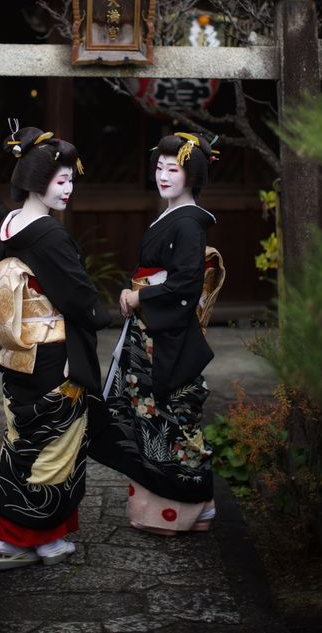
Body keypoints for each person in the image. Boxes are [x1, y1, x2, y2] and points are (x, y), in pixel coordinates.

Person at [0, 124, 111, 569]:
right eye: (62, 180)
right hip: (53, 354)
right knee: (55, 443)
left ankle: (10, 538)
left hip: (18, 351)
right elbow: (78, 297)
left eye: (72, 180)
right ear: (38, 182)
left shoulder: (11, 224)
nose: (69, 188)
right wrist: (103, 316)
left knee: (21, 438)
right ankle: (40, 538)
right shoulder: (49, 234)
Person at [90, 131, 222, 534]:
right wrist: (138, 297)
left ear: (192, 175)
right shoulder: (173, 217)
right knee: (150, 417)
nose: (164, 175)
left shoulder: (189, 223)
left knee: (167, 417)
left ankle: (186, 507)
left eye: (174, 169)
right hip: (152, 328)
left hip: (165, 334)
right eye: (160, 168)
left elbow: (185, 283)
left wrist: (141, 297)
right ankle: (191, 506)